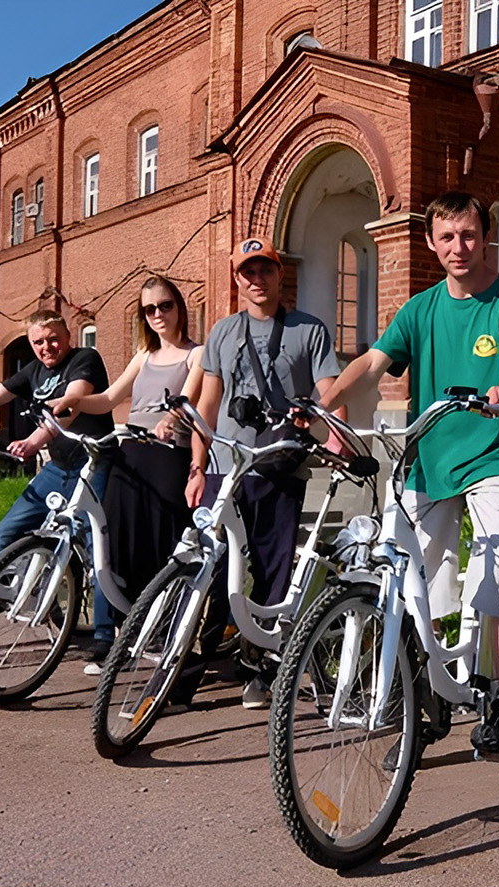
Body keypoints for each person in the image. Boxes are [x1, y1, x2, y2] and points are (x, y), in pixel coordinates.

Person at [321, 191, 499, 757]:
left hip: (495, 453)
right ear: (430, 242)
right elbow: (373, 361)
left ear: (485, 236)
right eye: (447, 237)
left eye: (468, 235)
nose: (458, 247)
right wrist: (327, 402)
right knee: (413, 582)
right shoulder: (420, 309)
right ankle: (428, 701)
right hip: (429, 458)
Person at [187, 237, 340, 709]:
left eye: (265, 270)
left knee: (272, 574)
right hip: (225, 468)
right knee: (206, 566)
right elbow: (206, 406)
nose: (257, 280)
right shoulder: (222, 332)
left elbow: (329, 392)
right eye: (247, 273)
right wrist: (197, 465)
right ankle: (185, 670)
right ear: (237, 279)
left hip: (279, 466)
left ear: (279, 273)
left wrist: (333, 434)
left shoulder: (307, 330)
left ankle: (261, 668)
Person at [0, 309, 117, 658]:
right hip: (59, 468)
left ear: (68, 336)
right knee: (9, 530)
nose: (47, 347)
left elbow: (70, 404)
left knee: (95, 547)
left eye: (53, 338)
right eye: (38, 342)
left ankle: (104, 635)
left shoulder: (84, 359)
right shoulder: (34, 371)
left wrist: (34, 441)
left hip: (94, 464)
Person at [48, 275, 203, 679]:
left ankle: (164, 631)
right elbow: (111, 398)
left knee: (162, 541)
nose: (157, 315)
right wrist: (74, 401)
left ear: (179, 307)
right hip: (129, 451)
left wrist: (170, 420)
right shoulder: (143, 355)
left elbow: (187, 401)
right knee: (115, 539)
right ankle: (118, 633)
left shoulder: (196, 355)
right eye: (149, 309)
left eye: (164, 306)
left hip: (169, 455)